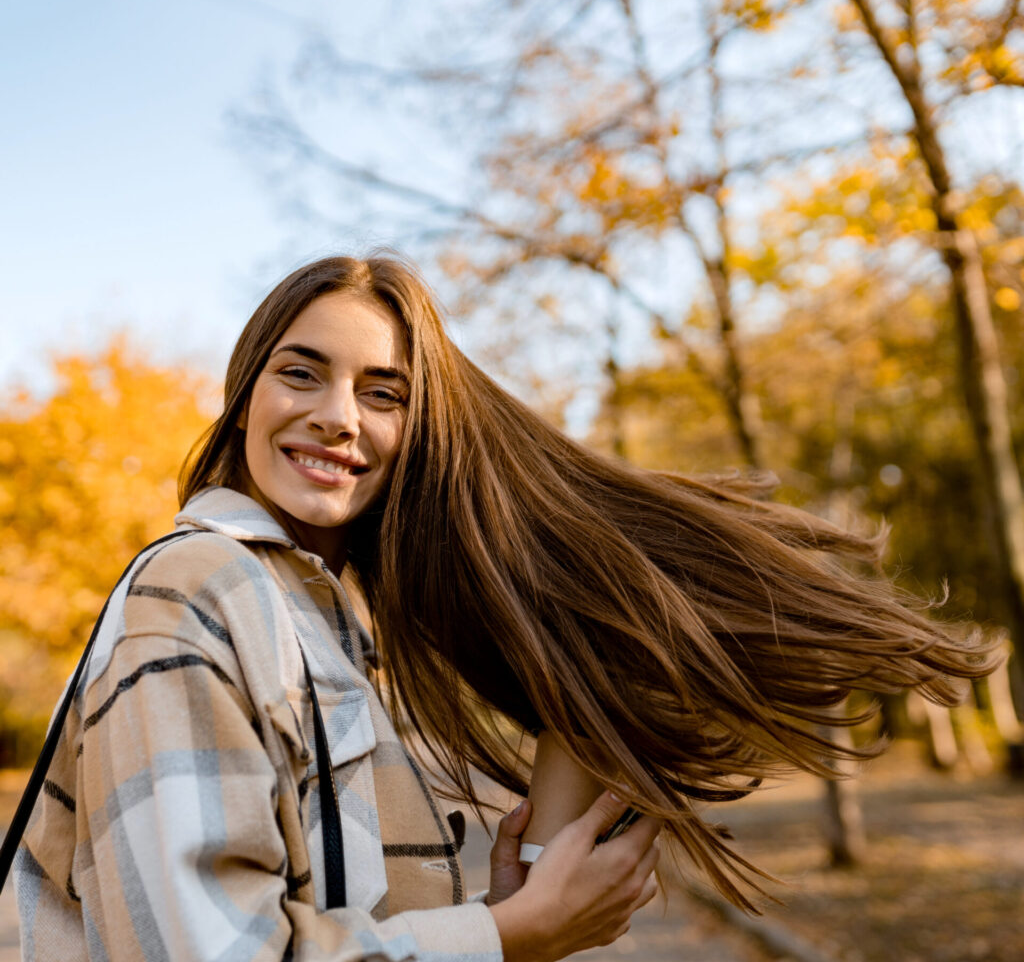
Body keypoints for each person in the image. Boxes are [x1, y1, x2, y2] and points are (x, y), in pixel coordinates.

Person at [14, 254, 995, 961]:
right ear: (245, 396)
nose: (338, 415)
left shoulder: (335, 623)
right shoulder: (198, 588)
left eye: (384, 392)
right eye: (300, 371)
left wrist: (508, 902)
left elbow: (334, 910)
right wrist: (502, 937)